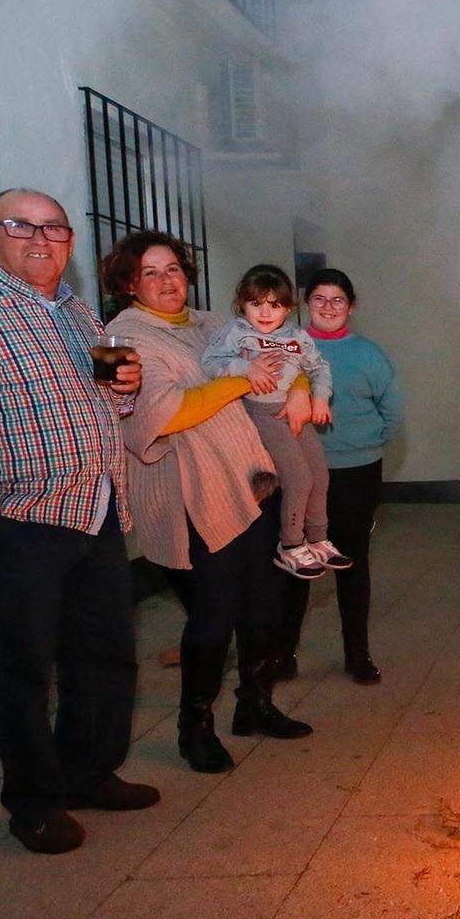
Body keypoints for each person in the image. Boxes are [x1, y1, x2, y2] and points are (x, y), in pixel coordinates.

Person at [0, 188, 158, 854]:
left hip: (96, 509)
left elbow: (113, 404)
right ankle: (35, 804)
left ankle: (88, 773)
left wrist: (125, 393)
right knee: (23, 671)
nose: (41, 239)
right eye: (22, 226)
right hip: (23, 524)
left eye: (55, 228)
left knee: (104, 657)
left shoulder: (80, 314)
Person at [101, 232, 315, 773]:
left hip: (253, 483)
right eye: (150, 273)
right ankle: (193, 728)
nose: (166, 280)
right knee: (213, 616)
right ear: (129, 283)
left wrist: (297, 388)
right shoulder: (126, 336)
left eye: (173, 268)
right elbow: (163, 413)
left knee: (266, 605)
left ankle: (256, 704)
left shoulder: (210, 324)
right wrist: (242, 379)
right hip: (193, 493)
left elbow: (281, 363)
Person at [277, 268, 403, 685]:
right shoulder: (286, 348)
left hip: (356, 473)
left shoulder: (370, 355)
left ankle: (357, 654)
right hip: (301, 473)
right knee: (296, 563)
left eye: (338, 300)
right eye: (319, 299)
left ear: (351, 306)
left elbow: (393, 414)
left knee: (352, 562)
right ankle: (284, 655)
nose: (328, 307)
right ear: (304, 303)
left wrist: (361, 446)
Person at [201, 265, 352, 580]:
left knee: (319, 476)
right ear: (242, 303)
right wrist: (245, 368)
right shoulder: (237, 332)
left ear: (288, 306)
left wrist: (320, 398)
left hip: (296, 412)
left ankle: (318, 537)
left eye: (275, 304)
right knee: (298, 478)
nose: (266, 313)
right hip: (262, 412)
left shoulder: (296, 336)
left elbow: (319, 367)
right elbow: (210, 362)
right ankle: (291, 544)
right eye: (256, 304)